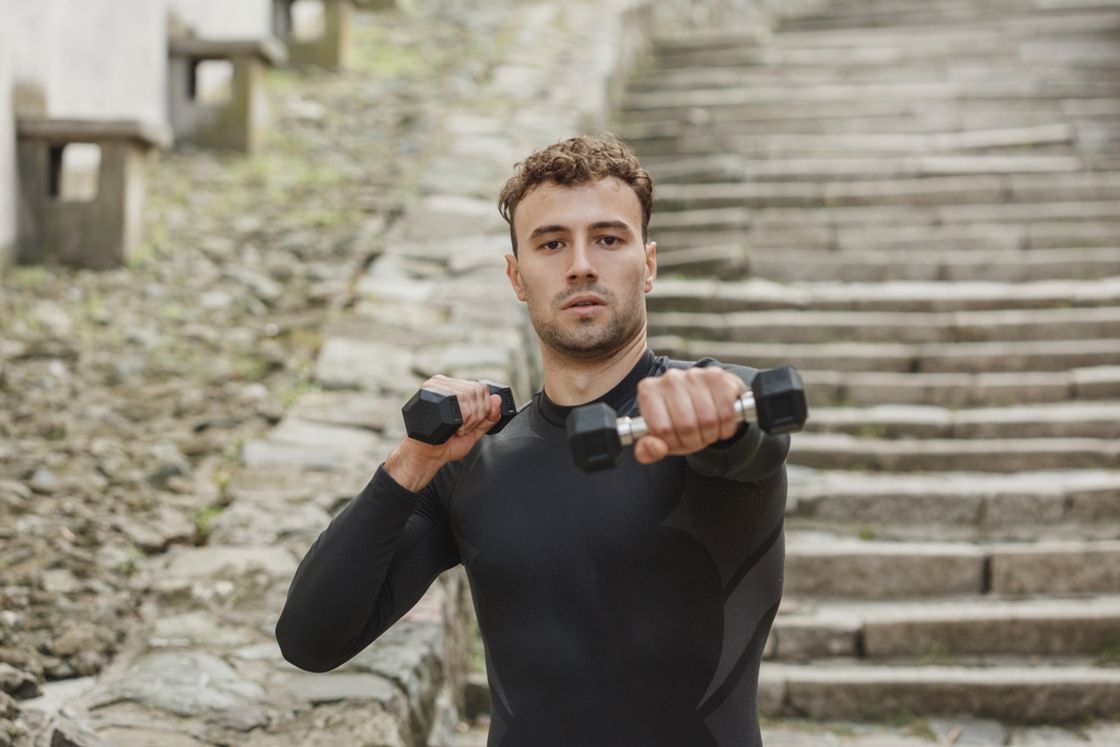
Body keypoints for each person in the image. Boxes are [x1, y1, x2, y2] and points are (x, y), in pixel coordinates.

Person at [276, 135, 790, 747]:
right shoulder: (479, 465)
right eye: (552, 243)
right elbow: (310, 640)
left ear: (647, 264)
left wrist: (719, 414)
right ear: (517, 276)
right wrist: (411, 462)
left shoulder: (708, 406)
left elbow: (749, 434)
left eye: (608, 238)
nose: (580, 264)